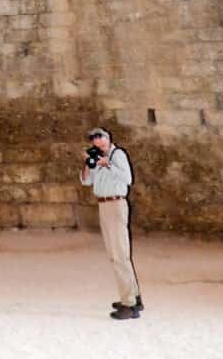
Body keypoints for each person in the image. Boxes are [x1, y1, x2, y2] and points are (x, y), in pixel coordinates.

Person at [79, 126, 143, 320]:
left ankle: (128, 304)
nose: (98, 143)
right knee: (116, 253)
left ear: (108, 138)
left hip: (116, 204)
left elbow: (128, 178)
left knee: (119, 255)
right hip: (104, 206)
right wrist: (88, 164)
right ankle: (134, 298)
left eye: (101, 138)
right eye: (94, 140)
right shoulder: (97, 158)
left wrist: (108, 164)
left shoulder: (118, 155)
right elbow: (85, 182)